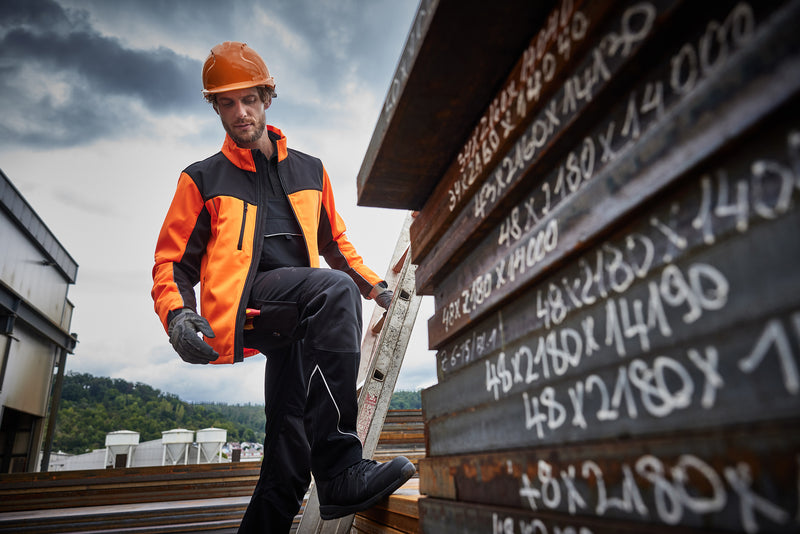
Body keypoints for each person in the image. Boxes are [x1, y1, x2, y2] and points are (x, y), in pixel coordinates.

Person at [151, 41, 415, 532]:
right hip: (250, 308)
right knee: (332, 291)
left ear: (267, 97)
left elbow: (335, 243)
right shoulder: (201, 179)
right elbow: (171, 263)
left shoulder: (310, 170)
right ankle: (339, 467)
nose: (239, 113)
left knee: (288, 465)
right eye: (226, 103)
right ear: (215, 107)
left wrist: (375, 285)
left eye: (248, 99)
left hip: (302, 320)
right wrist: (176, 315)